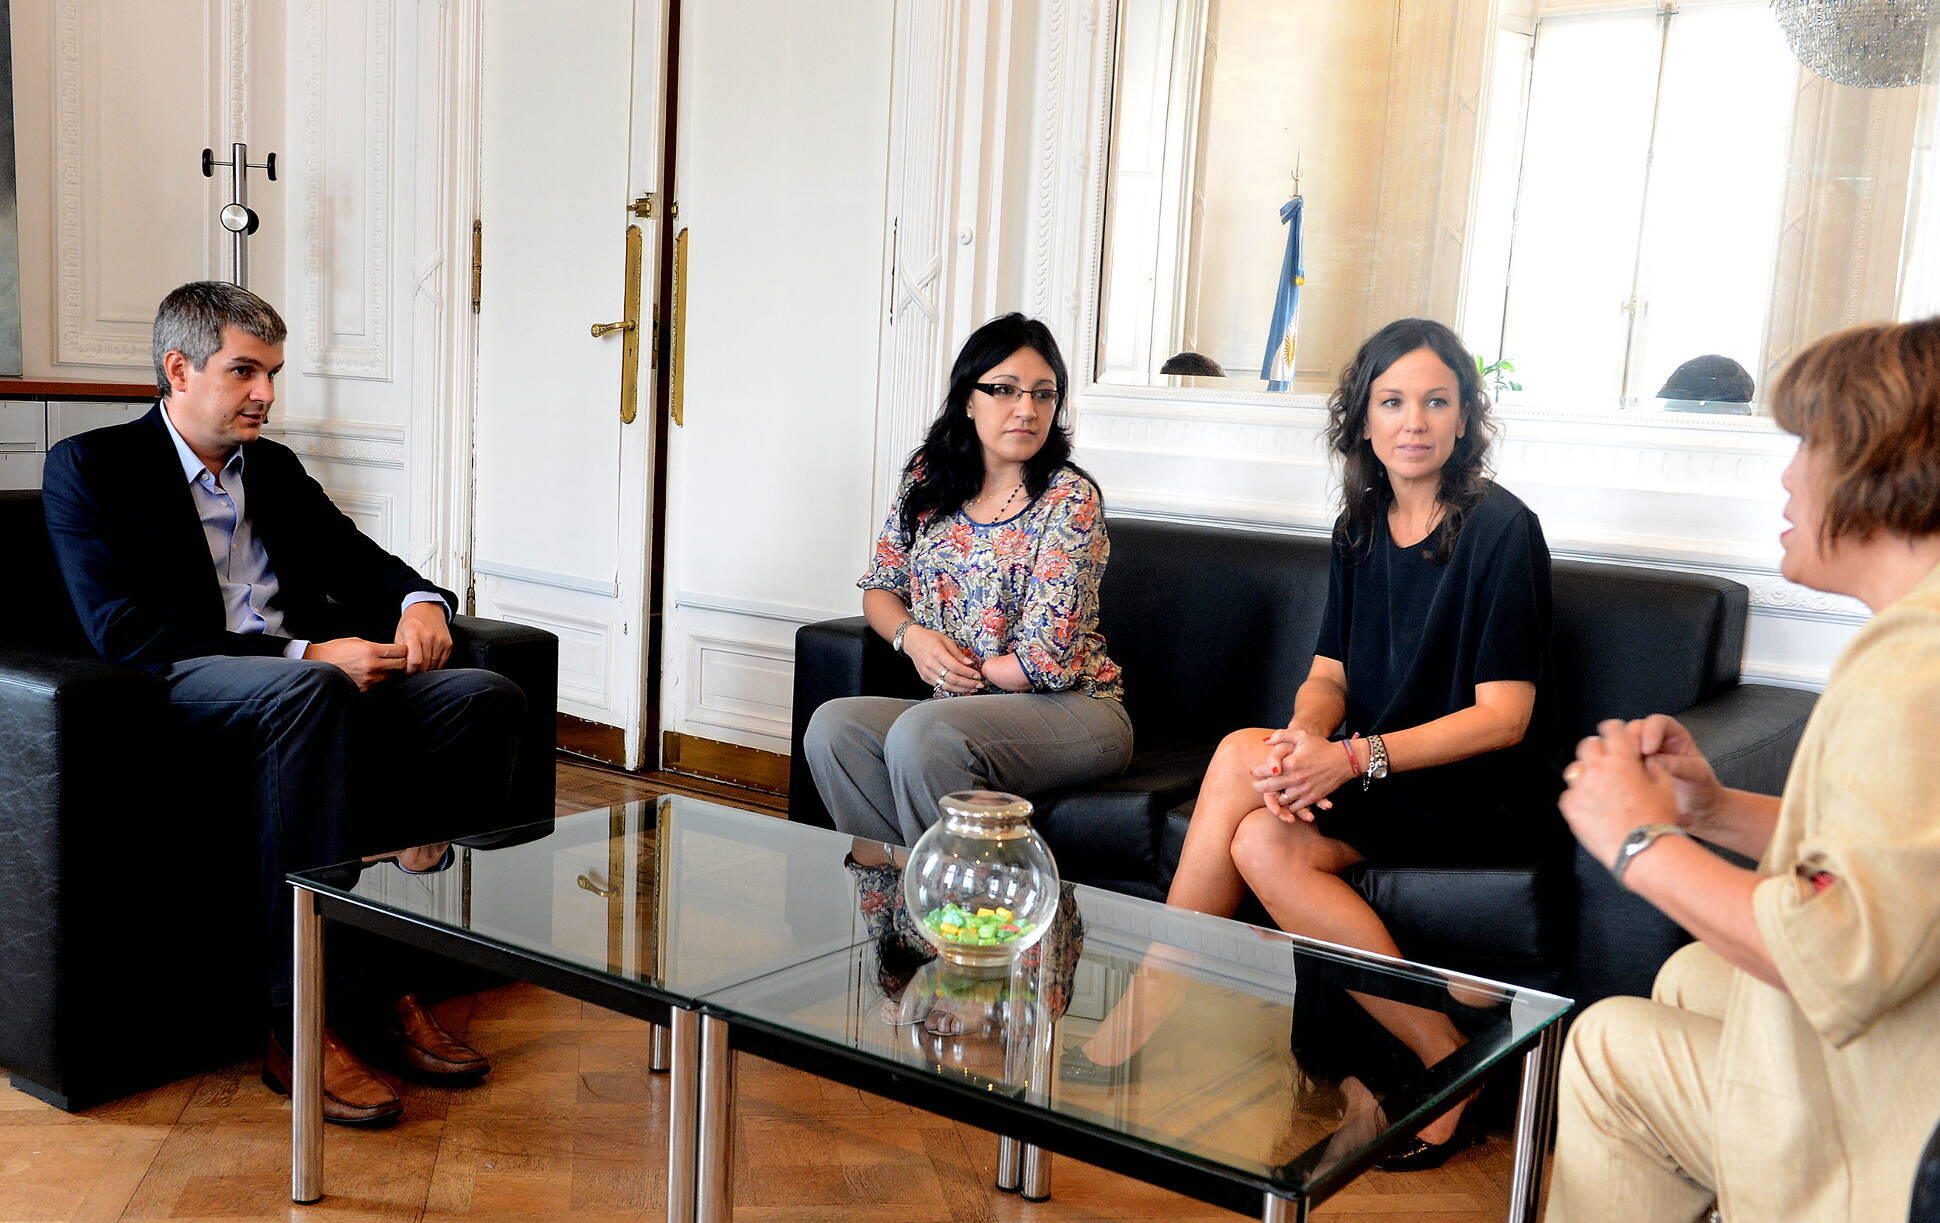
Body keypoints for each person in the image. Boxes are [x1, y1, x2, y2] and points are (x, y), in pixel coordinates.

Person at [41, 281, 527, 1127]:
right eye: (245, 371)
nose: (266, 392)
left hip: (309, 693)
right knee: (314, 689)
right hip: (181, 683)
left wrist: (420, 602)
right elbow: (122, 632)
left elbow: (363, 561)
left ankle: (389, 965)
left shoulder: (275, 467)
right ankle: (296, 1022)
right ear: (179, 369)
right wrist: (307, 653)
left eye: (272, 371)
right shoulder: (90, 466)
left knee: (483, 697)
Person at [1081, 317, 1554, 1170]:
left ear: (1463, 418)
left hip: (1467, 794)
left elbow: (1504, 717)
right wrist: (1305, 736)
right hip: (1377, 778)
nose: (1415, 420)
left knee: (1233, 757)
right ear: (1363, 420)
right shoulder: (1361, 522)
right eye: (1394, 401)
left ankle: (1153, 992)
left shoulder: (1501, 531)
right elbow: (1329, 673)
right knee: (1259, 830)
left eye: (1436, 401)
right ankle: (1450, 1056)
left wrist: (1349, 758)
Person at [1547, 318, 1940, 1222]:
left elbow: (1831, 955)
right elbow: (1892, 860)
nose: (1788, 474)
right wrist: (1711, 810)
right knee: (1689, 975)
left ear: (1884, 465)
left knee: (1606, 1044)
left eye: (1810, 442)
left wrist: (1635, 841)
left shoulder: (1910, 672)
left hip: (1905, 1128)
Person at [803, 313, 1132, 846]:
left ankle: (963, 915)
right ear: (968, 399)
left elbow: (1043, 662)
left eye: (1043, 395)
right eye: (1004, 390)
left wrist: (956, 667)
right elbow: (882, 588)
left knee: (925, 732)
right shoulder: (929, 479)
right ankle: (894, 907)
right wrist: (915, 641)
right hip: (962, 710)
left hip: (1075, 711)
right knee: (836, 728)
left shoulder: (1069, 499)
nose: (1027, 409)